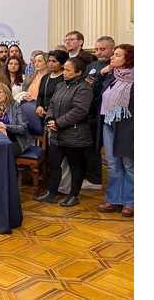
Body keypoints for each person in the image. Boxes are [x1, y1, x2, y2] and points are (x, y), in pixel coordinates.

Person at [36, 57, 93, 207]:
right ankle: (51, 193)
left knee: (75, 166)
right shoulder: (61, 85)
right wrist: (50, 119)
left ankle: (73, 195)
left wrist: (58, 123)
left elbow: (80, 111)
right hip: (56, 133)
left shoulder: (84, 88)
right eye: (64, 69)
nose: (64, 72)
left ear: (78, 72)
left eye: (68, 70)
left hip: (74, 134)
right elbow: (52, 104)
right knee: (54, 165)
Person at [97, 44, 134, 217]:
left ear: (128, 58)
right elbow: (96, 92)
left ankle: (130, 202)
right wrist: (102, 73)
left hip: (128, 126)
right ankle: (114, 199)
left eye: (117, 55)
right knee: (112, 164)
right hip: (108, 123)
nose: (112, 57)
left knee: (128, 164)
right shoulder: (112, 76)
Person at [83, 36, 117, 188]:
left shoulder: (116, 67)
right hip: (90, 112)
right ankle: (93, 178)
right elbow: (86, 84)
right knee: (91, 147)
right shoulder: (92, 65)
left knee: (109, 152)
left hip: (108, 113)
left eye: (102, 49)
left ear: (112, 49)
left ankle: (107, 183)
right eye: (97, 49)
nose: (99, 52)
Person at [0, 83, 34, 155]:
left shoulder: (16, 106)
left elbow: (22, 128)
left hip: (17, 141)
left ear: (6, 94)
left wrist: (5, 126)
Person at [35, 50, 68, 119]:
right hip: (43, 115)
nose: (50, 63)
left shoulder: (65, 78)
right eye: (49, 61)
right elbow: (40, 96)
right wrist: (39, 106)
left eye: (54, 61)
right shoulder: (45, 77)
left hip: (59, 116)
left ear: (62, 64)